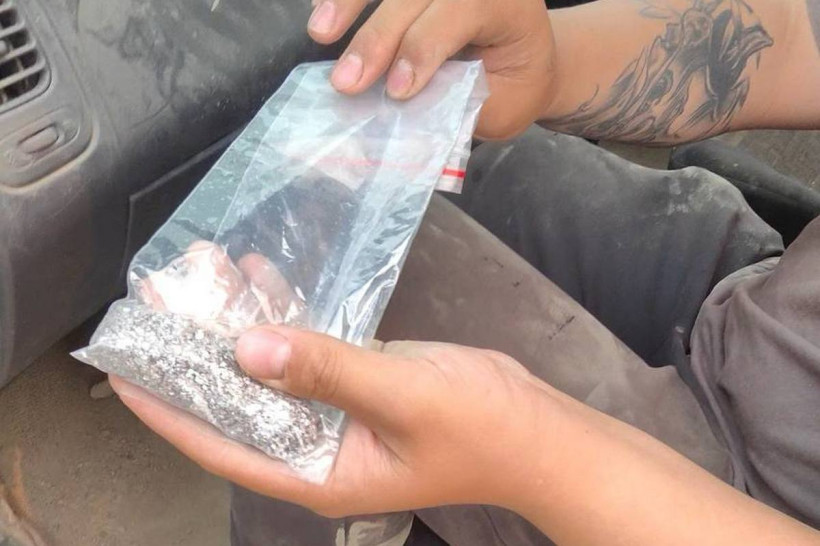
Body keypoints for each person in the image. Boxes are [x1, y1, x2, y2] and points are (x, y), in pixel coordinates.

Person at [109, 0, 820, 544]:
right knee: (352, 182)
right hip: (762, 306)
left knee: (296, 368)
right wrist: (545, 66)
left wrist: (528, 453)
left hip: (740, 506)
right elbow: (791, 36)